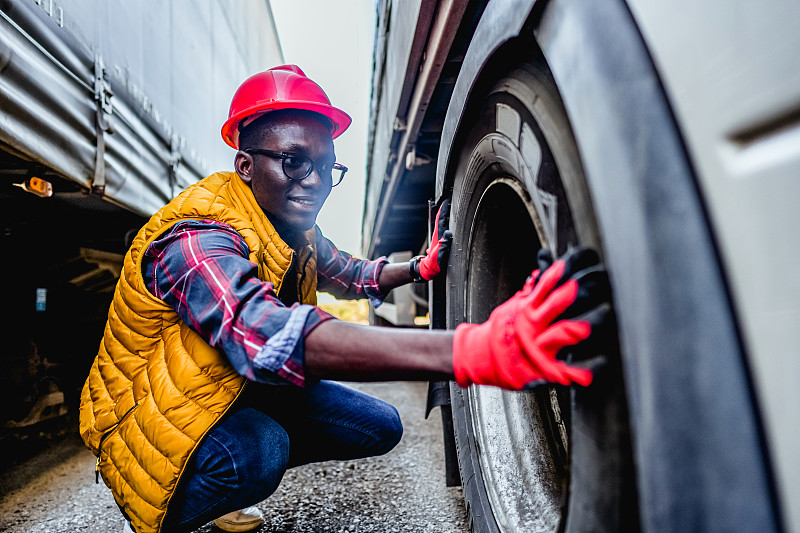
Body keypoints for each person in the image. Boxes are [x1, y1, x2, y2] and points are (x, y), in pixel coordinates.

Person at [78, 65, 607, 533]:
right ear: (244, 165)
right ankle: (165, 502)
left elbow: (352, 274)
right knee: (262, 451)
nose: (315, 182)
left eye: (325, 166)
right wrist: (474, 350)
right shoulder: (196, 237)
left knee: (380, 426)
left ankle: (234, 454)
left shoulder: (292, 229)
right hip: (147, 423)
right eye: (293, 161)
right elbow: (260, 332)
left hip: (227, 391)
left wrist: (419, 267)